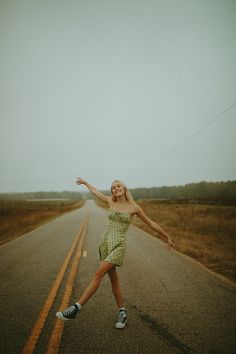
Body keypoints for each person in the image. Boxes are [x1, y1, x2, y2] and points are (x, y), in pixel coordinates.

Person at [56, 178, 175, 328]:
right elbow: (95, 192)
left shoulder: (134, 208)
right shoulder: (110, 202)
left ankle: (75, 308)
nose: (116, 188)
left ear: (124, 188)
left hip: (118, 245)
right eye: (113, 187)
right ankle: (122, 313)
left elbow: (151, 223)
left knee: (98, 274)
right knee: (114, 280)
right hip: (105, 243)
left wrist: (166, 236)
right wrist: (86, 183)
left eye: (118, 186)